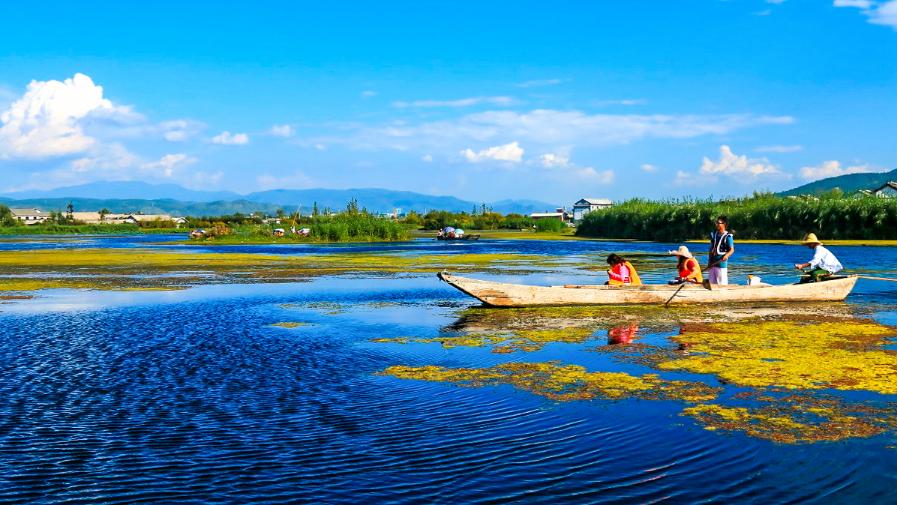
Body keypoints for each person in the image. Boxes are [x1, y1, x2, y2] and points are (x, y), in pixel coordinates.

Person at [707, 216, 735, 285]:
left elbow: (732, 250)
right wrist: (709, 261)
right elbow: (711, 249)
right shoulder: (714, 235)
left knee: (722, 284)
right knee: (711, 284)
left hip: (721, 264)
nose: (716, 224)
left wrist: (726, 255)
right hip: (712, 264)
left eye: (718, 223)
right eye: (716, 223)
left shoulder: (728, 236)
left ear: (724, 224)